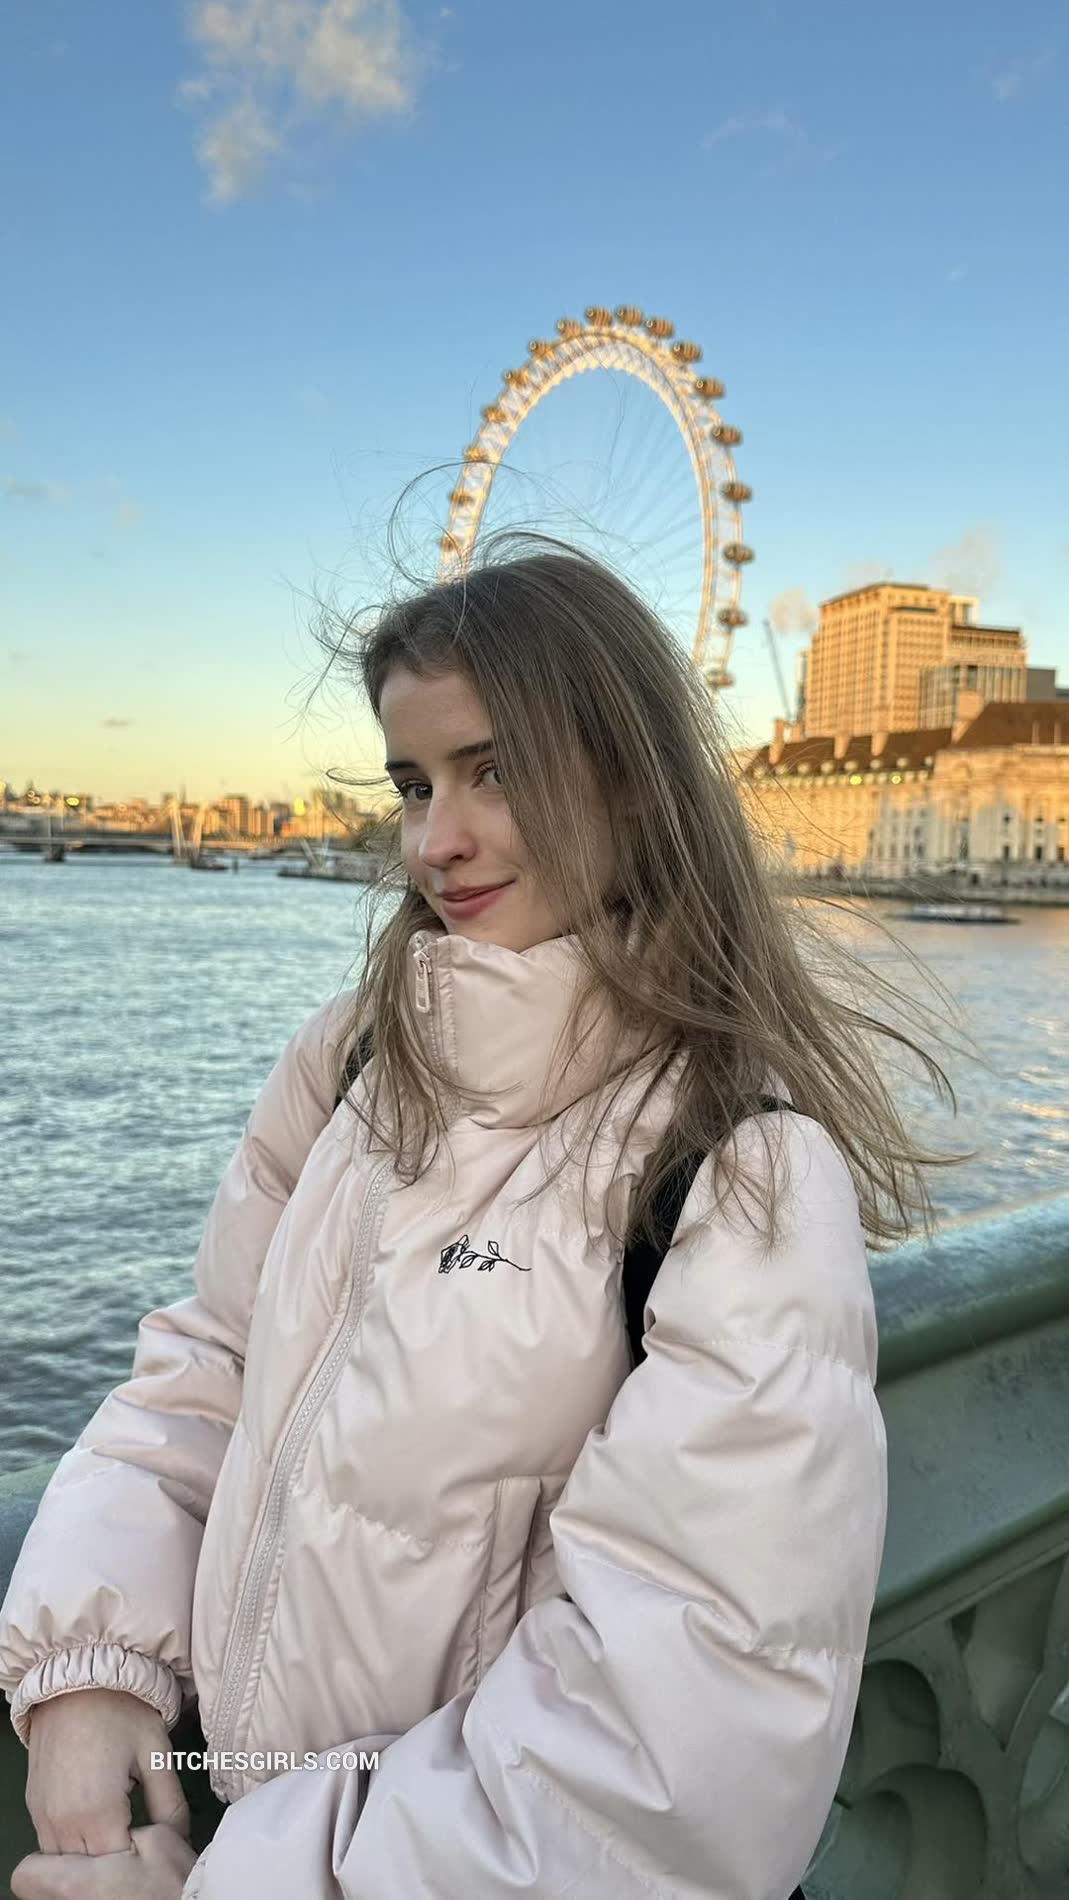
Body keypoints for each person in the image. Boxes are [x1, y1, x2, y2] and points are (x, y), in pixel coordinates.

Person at [0, 541, 948, 1899]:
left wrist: (231, 1885)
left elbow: (667, 1759)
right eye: (413, 782)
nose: (433, 840)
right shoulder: (351, 1062)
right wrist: (90, 1662)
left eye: (493, 771)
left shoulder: (737, 1171)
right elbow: (210, 1369)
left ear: (632, 779)